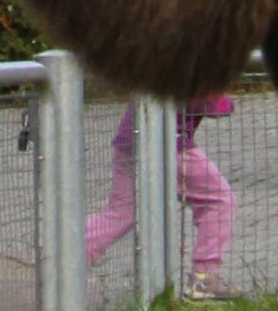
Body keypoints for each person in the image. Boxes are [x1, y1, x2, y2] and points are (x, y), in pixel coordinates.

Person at [85, 94, 238, 296]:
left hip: (130, 140)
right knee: (219, 199)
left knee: (121, 212)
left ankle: (67, 261)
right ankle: (204, 277)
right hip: (169, 144)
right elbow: (216, 106)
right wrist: (225, 99)